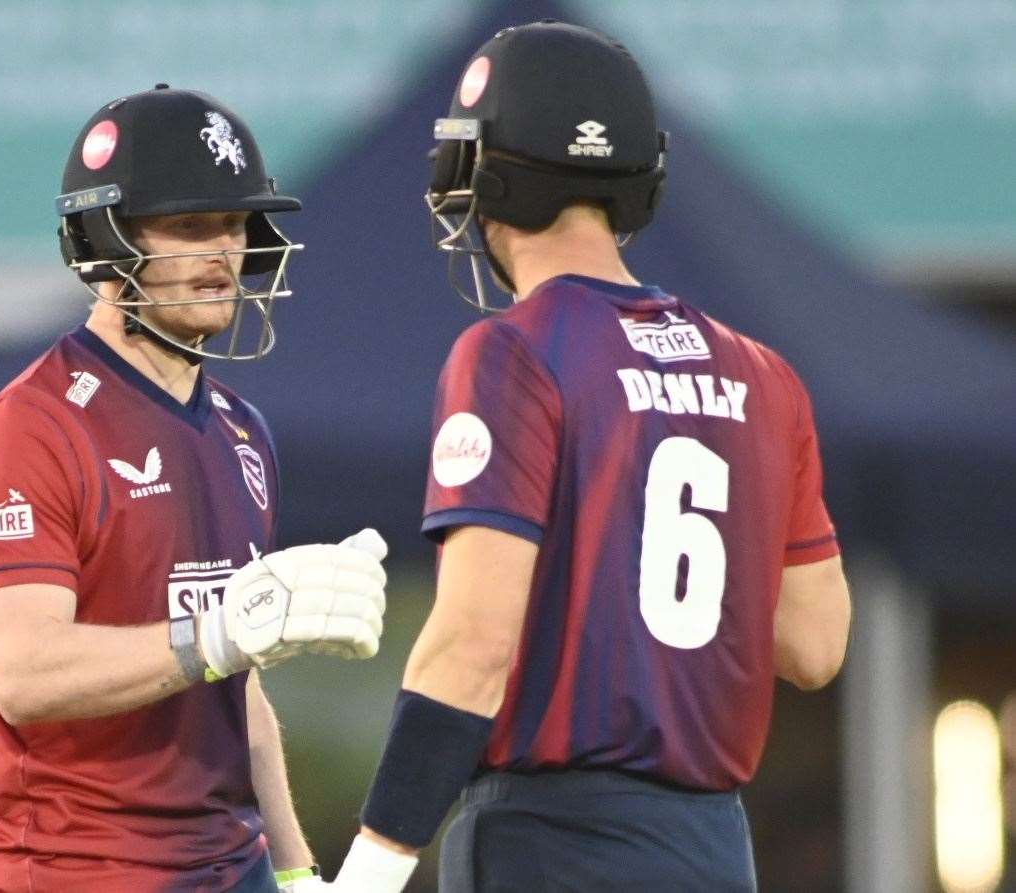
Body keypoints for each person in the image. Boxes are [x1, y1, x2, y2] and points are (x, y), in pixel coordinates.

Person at [327, 22, 853, 892]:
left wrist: (371, 872)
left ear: (490, 174)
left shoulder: (514, 351)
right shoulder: (763, 372)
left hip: (553, 840)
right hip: (713, 845)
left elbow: (472, 644)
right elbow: (815, 643)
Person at [0, 84, 386, 892]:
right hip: (76, 870)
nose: (223, 252)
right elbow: (24, 671)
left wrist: (293, 868)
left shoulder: (243, 428)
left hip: (228, 867)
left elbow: (235, 682)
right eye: (190, 226)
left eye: (234, 224)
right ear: (105, 241)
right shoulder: (30, 427)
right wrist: (212, 636)